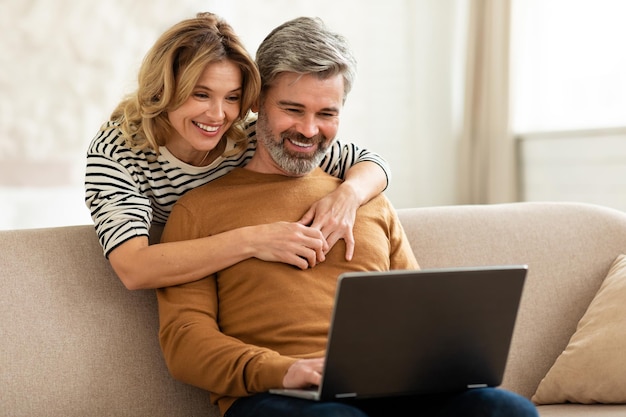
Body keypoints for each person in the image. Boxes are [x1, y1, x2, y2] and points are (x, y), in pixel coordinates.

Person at [156, 16, 539, 417]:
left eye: (327, 114)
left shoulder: (367, 201)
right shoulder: (199, 210)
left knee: (505, 410)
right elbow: (185, 342)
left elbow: (420, 317)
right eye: (292, 109)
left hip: (390, 390)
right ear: (256, 102)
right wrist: (284, 370)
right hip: (275, 395)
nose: (308, 129)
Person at [84, 12, 391, 290]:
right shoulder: (118, 152)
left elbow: (369, 163)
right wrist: (256, 239)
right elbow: (134, 269)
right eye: (201, 94)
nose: (218, 116)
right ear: (163, 88)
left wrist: (347, 196)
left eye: (232, 97)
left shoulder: (250, 134)